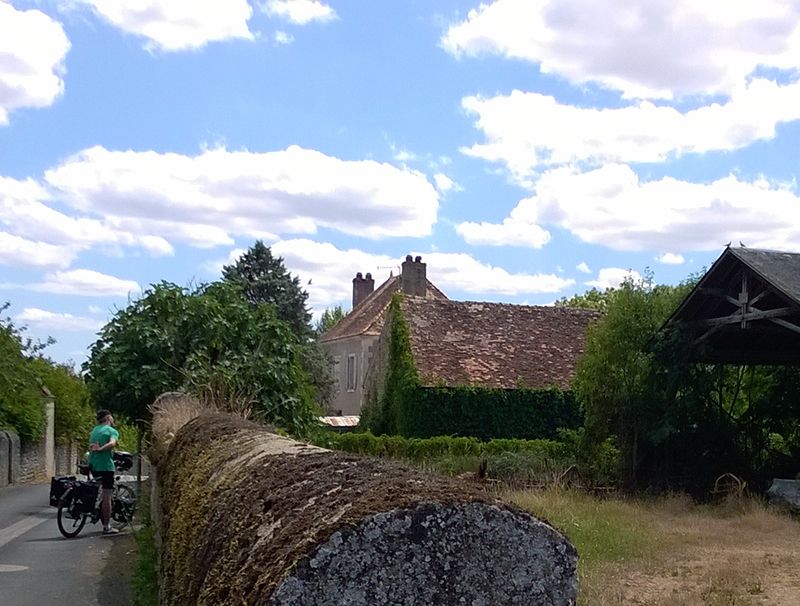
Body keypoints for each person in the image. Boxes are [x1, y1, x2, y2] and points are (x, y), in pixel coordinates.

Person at [88, 409, 120, 535]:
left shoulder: (94, 431)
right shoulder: (112, 431)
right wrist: (102, 449)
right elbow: (112, 443)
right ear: (108, 418)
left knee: (97, 489)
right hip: (106, 467)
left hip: (93, 465)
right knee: (107, 495)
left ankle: (94, 509)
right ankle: (107, 526)